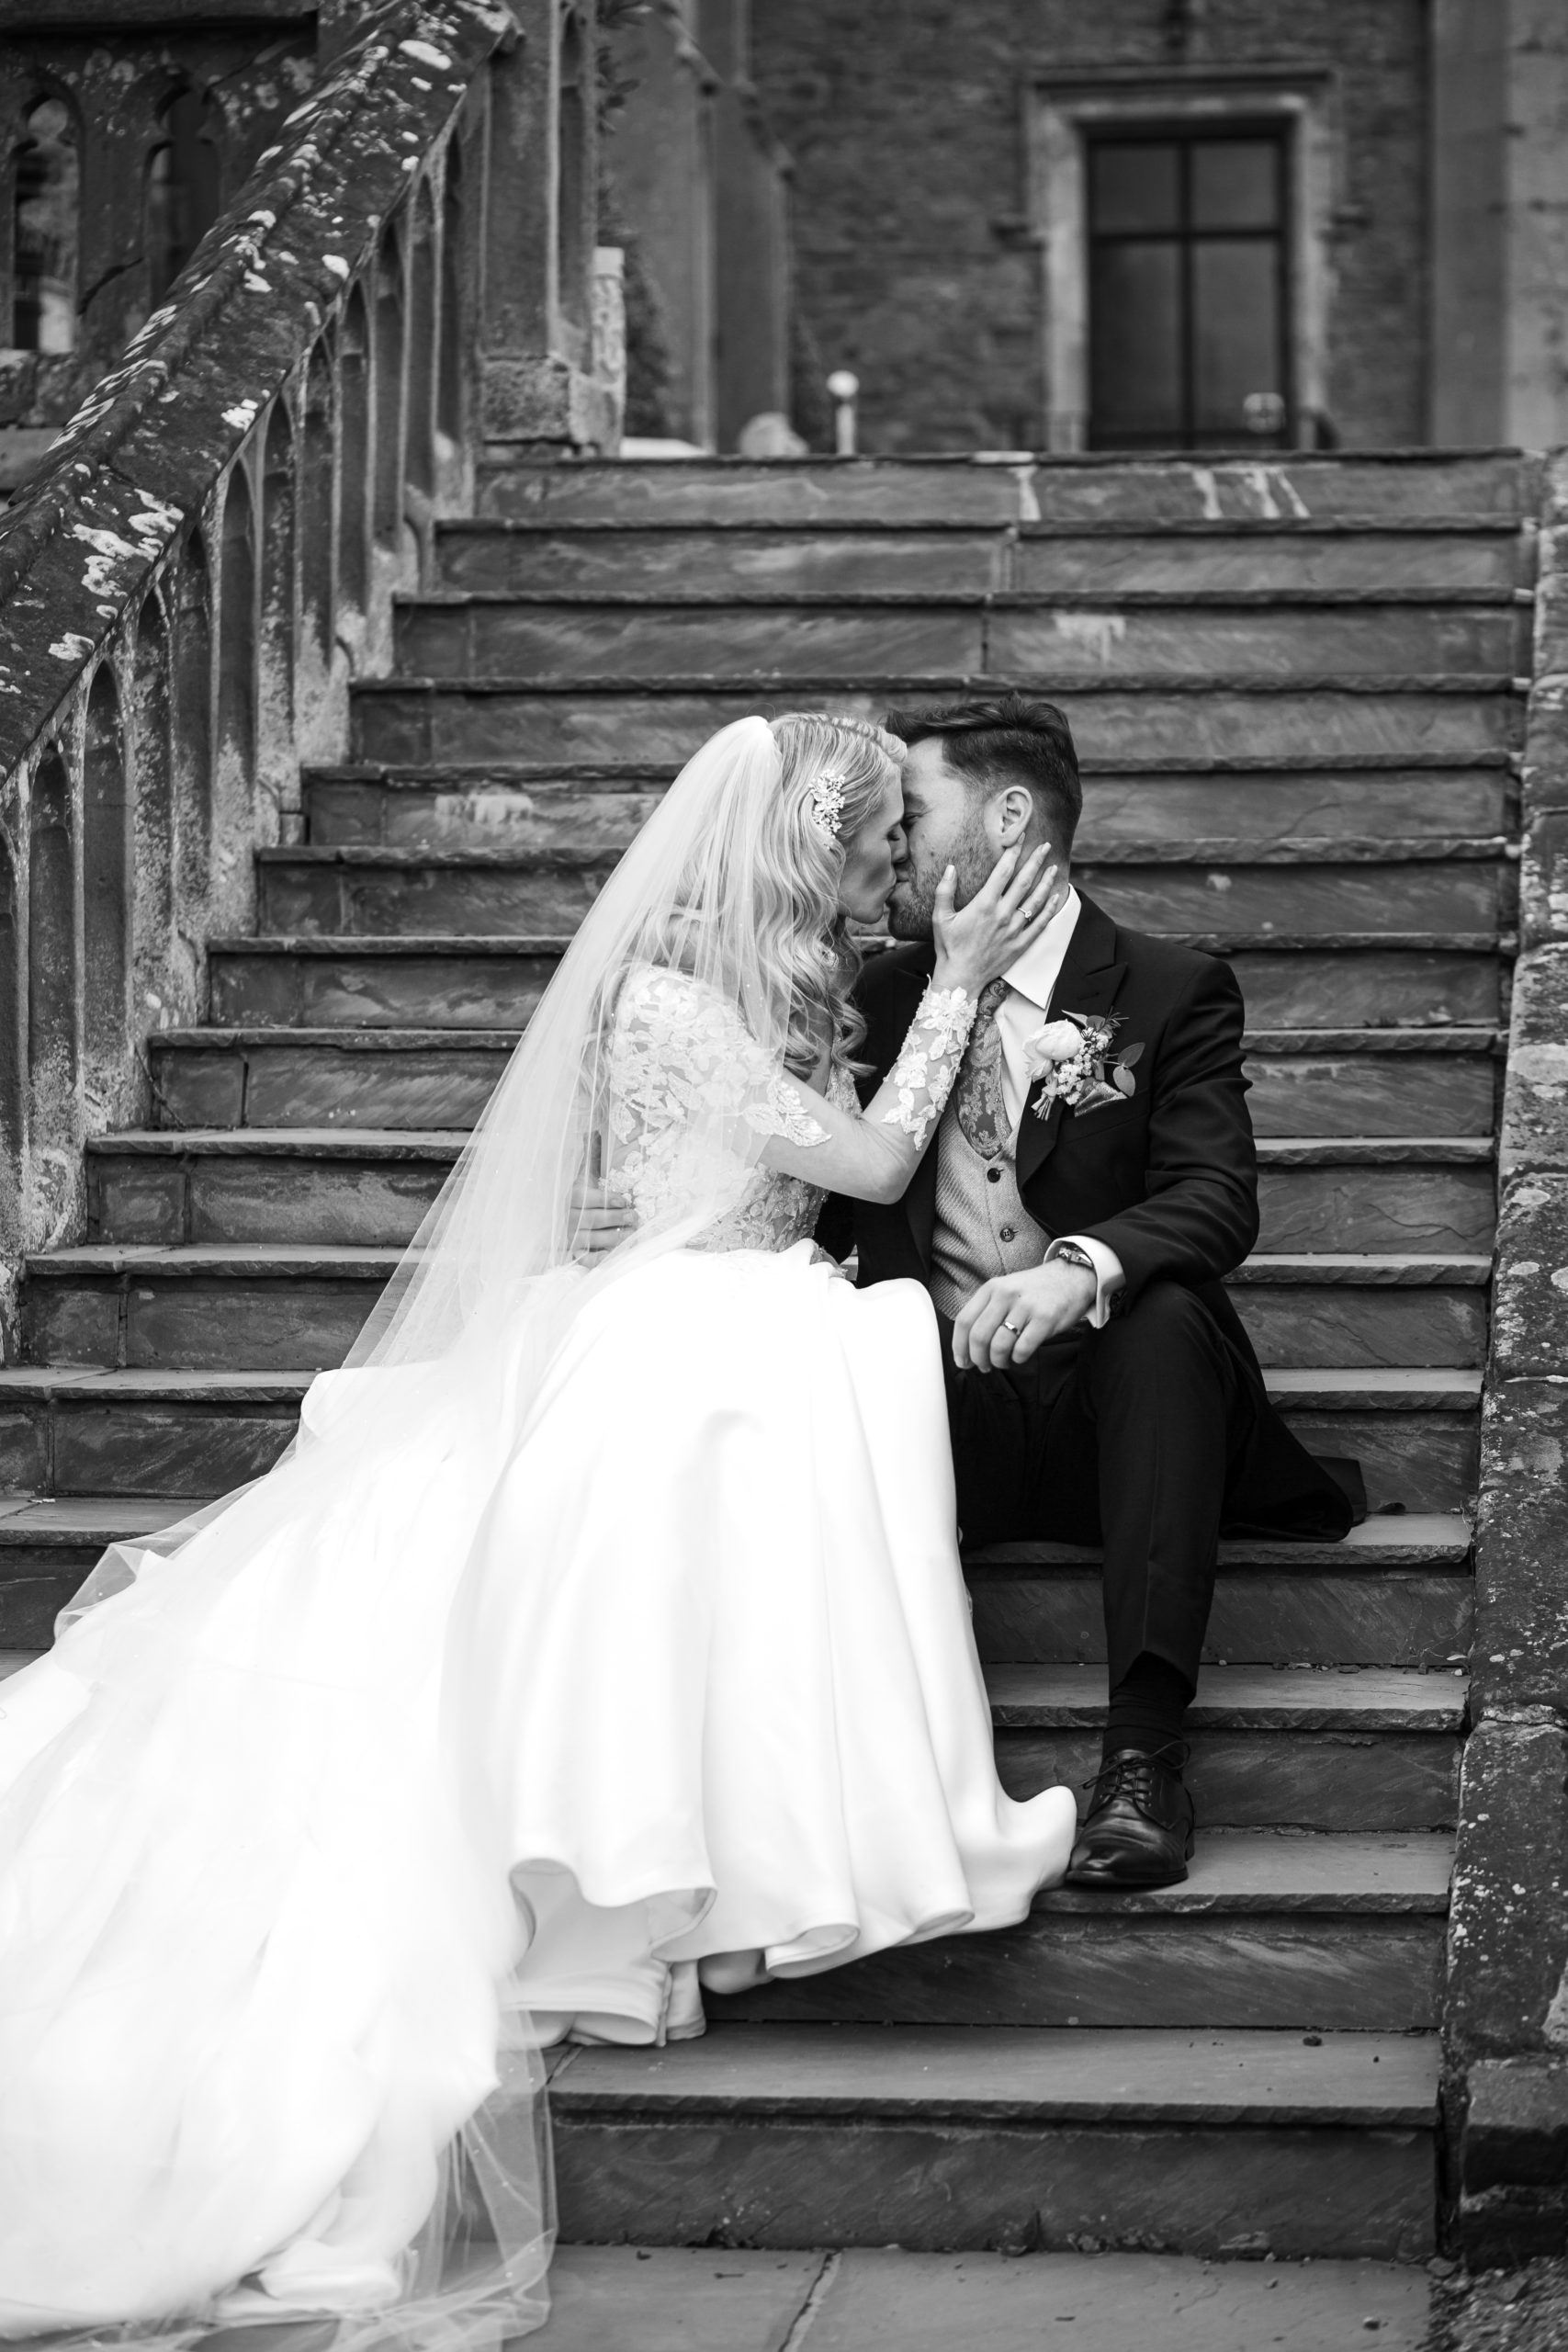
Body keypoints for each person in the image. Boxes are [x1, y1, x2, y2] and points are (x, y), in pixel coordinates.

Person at [0, 713, 1078, 2347]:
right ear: (807, 838)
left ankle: (700, 1897)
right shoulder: (662, 999)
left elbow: (768, 1175)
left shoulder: (774, 979)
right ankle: (645, 1903)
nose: (890, 872)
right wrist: (946, 988)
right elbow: (856, 1155)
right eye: (872, 842)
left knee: (815, 1364)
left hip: (722, 1290)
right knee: (777, 1388)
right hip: (676, 1318)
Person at [819, 694, 1358, 1891]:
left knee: (1163, 1316)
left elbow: (1218, 1201)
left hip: (1119, 1415)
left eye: (915, 809)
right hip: (941, 1416)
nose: (893, 842)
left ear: (1010, 816)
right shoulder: (883, 995)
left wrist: (1080, 1272)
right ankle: (877, 1780)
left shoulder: (1169, 988)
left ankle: (1143, 1756)